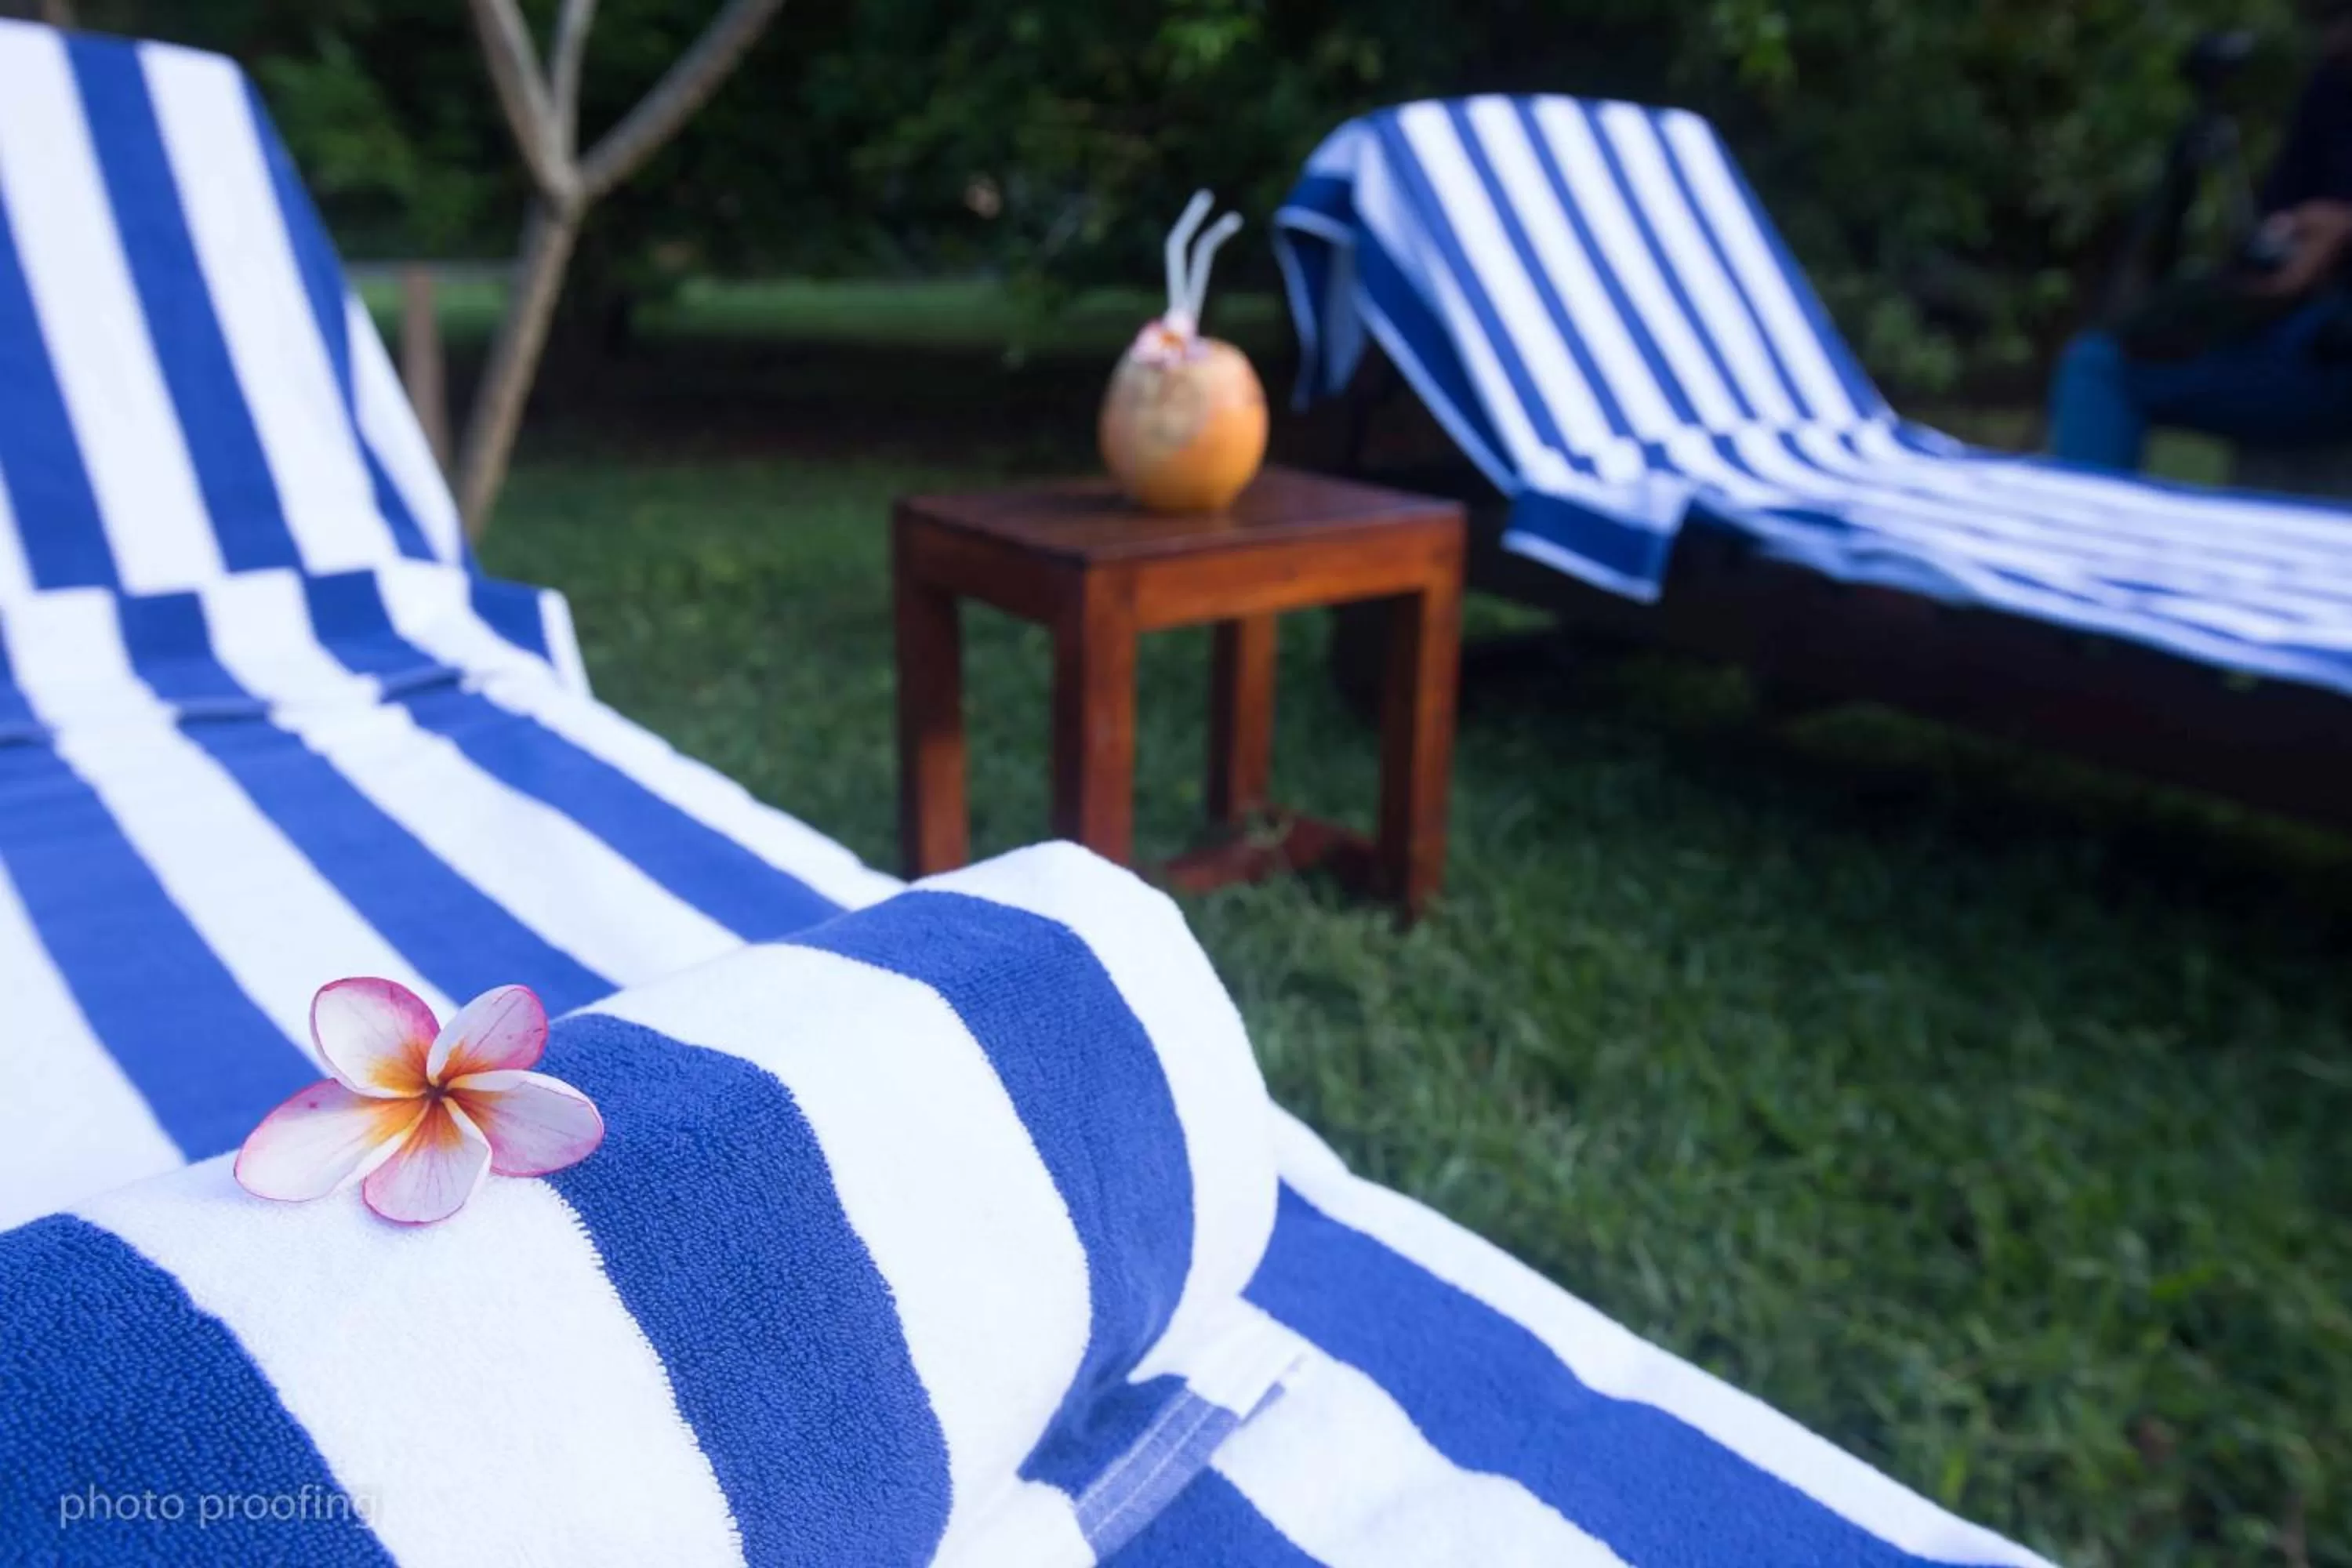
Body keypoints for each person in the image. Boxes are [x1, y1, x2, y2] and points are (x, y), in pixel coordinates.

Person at [2049, 2, 2352, 471]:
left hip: (2331, 354)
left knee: (2099, 369)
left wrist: (2342, 228)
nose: (2329, 34)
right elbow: (2277, 223)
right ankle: (2084, 536)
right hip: (2302, 337)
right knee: (2098, 362)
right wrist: (2282, 249)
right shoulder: (2332, 86)